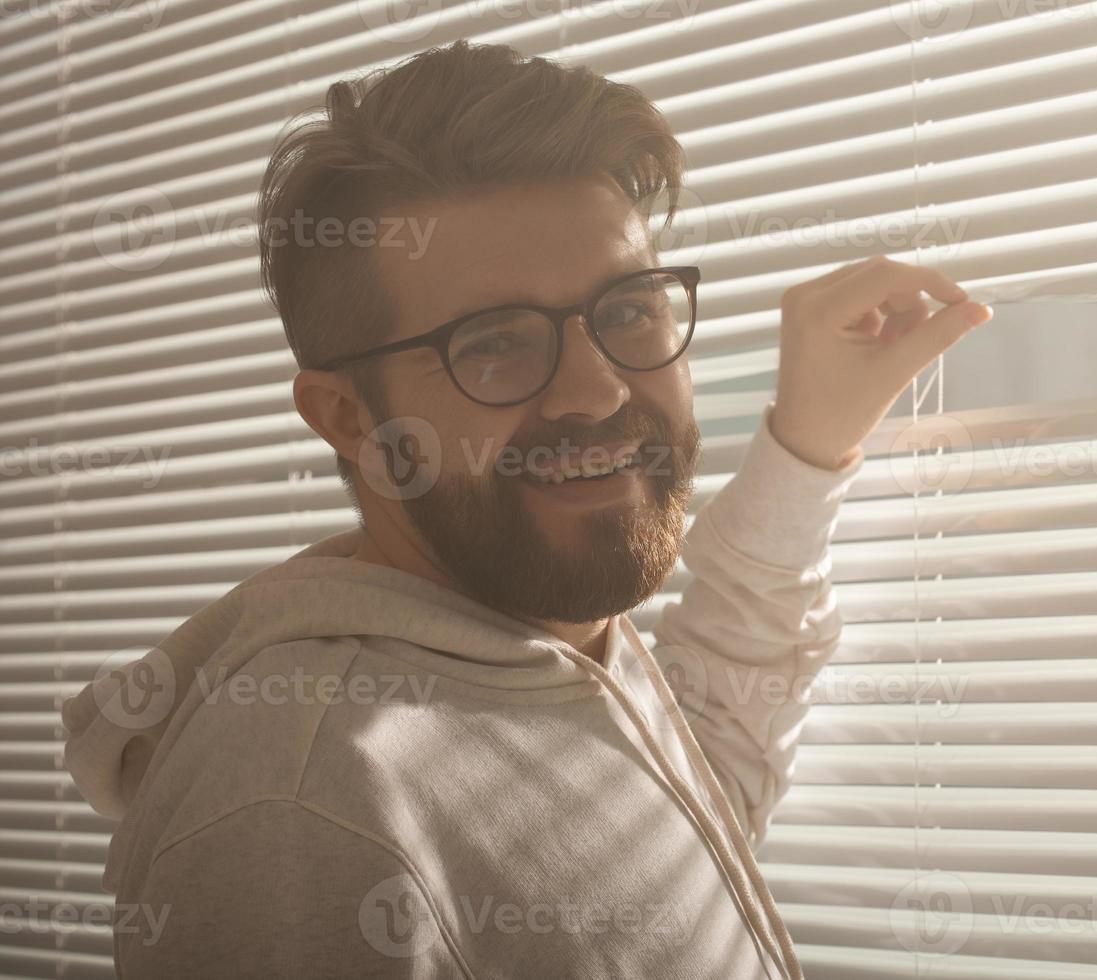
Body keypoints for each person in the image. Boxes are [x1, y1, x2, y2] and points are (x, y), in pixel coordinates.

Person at [61, 39, 991, 979]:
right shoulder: (302, 809)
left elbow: (684, 804)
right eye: (495, 341)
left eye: (628, 309)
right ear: (349, 418)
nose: (595, 389)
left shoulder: (539, 633)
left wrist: (805, 447)